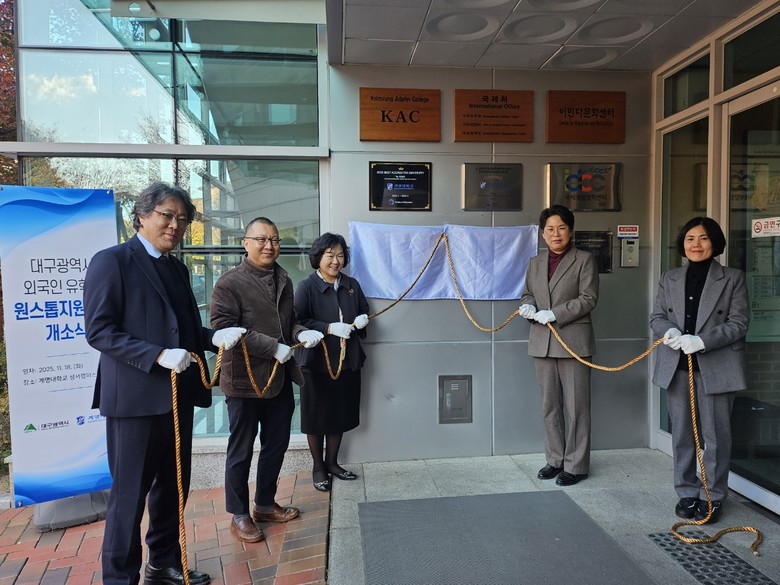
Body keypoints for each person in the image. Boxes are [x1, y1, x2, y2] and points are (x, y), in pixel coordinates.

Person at [83, 182, 246, 585]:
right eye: (167, 216)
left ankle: (163, 563)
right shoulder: (112, 261)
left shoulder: (177, 268)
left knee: (174, 488)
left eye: (182, 219)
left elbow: (183, 330)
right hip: (134, 401)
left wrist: (213, 337)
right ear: (141, 216)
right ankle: (119, 578)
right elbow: (99, 331)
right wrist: (156, 355)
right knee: (129, 497)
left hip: (176, 398)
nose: (175, 225)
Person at [209, 217, 324, 543]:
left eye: (274, 240)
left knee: (276, 444)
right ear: (246, 243)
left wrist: (302, 333)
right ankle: (239, 514)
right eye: (261, 239)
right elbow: (223, 328)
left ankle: (263, 504)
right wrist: (272, 347)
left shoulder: (283, 278)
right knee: (241, 450)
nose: (269, 246)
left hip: (279, 379)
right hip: (244, 382)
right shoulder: (230, 283)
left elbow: (291, 322)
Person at [650, 217, 749, 524]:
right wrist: (669, 331)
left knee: (716, 436)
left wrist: (703, 341)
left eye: (703, 238)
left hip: (716, 365)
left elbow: (739, 323)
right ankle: (687, 491)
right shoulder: (670, 277)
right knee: (682, 433)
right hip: (678, 365)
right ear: (683, 243)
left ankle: (713, 496)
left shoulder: (732, 278)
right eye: (690, 238)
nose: (696, 244)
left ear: (715, 242)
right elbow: (656, 317)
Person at [518, 204, 599, 487]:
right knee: (549, 406)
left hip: (573, 341)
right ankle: (555, 459)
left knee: (577, 408)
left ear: (571, 231)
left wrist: (555, 313)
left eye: (561, 228)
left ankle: (576, 465)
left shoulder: (584, 260)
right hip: (542, 342)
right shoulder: (535, 263)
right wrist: (528, 306)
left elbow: (588, 298)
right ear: (542, 234)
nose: (556, 234)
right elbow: (528, 293)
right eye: (550, 229)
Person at [293, 233, 371, 492]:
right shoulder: (306, 287)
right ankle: (318, 467)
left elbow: (364, 310)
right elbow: (297, 321)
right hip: (316, 364)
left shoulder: (351, 285)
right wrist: (328, 328)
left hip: (347, 362)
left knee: (339, 413)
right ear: (318, 257)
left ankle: (333, 463)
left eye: (340, 255)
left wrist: (361, 320)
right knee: (317, 416)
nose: (336, 261)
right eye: (330, 255)